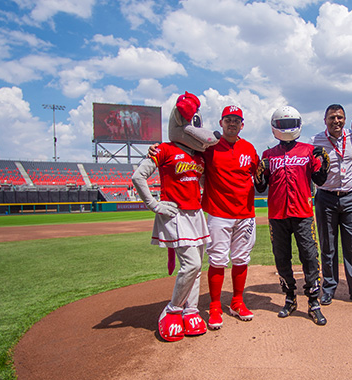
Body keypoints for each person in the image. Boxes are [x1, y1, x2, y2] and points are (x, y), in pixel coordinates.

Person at [151, 105, 260, 330]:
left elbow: (258, 176)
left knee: (241, 259)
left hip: (246, 214)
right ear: (220, 123)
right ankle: (215, 306)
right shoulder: (208, 147)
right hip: (219, 213)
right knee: (218, 260)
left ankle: (237, 302)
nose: (232, 123)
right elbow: (183, 149)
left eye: (236, 120)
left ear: (242, 124)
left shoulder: (249, 148)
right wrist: (157, 148)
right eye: (228, 119)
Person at [132, 92, 219, 342]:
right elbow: (138, 177)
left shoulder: (199, 155)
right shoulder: (163, 149)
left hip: (196, 214)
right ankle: (172, 310)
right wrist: (154, 204)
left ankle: (190, 311)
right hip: (175, 214)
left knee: (197, 266)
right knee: (190, 265)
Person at [255, 105, 330, 326]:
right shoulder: (268, 154)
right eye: (282, 124)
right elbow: (260, 187)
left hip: (303, 213)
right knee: (281, 258)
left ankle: (313, 302)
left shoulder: (309, 150)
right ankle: (289, 298)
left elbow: (320, 180)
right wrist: (259, 173)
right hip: (277, 215)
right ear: (274, 127)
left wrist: (323, 163)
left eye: (290, 124)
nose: (287, 128)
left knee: (309, 256)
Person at [309, 104, 352, 307]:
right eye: (332, 117)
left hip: (351, 197)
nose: (336, 121)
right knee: (328, 246)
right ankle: (328, 289)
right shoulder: (315, 141)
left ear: (345, 119)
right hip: (325, 197)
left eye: (340, 117)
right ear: (325, 120)